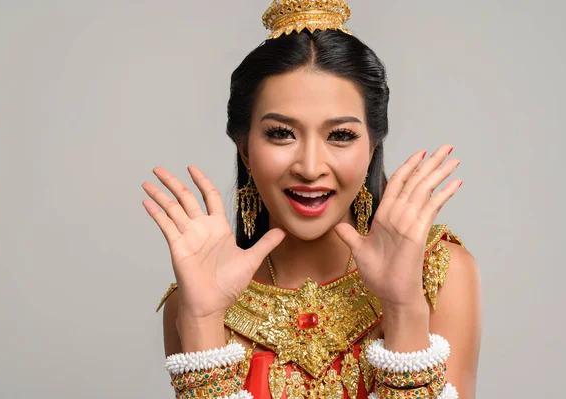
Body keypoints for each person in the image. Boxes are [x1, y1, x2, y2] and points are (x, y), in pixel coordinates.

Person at [143, 1, 481, 398]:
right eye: (282, 133)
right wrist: (201, 319)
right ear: (246, 150)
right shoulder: (197, 296)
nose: (309, 166)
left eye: (340, 136)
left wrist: (404, 308)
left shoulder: (437, 274)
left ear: (371, 148)